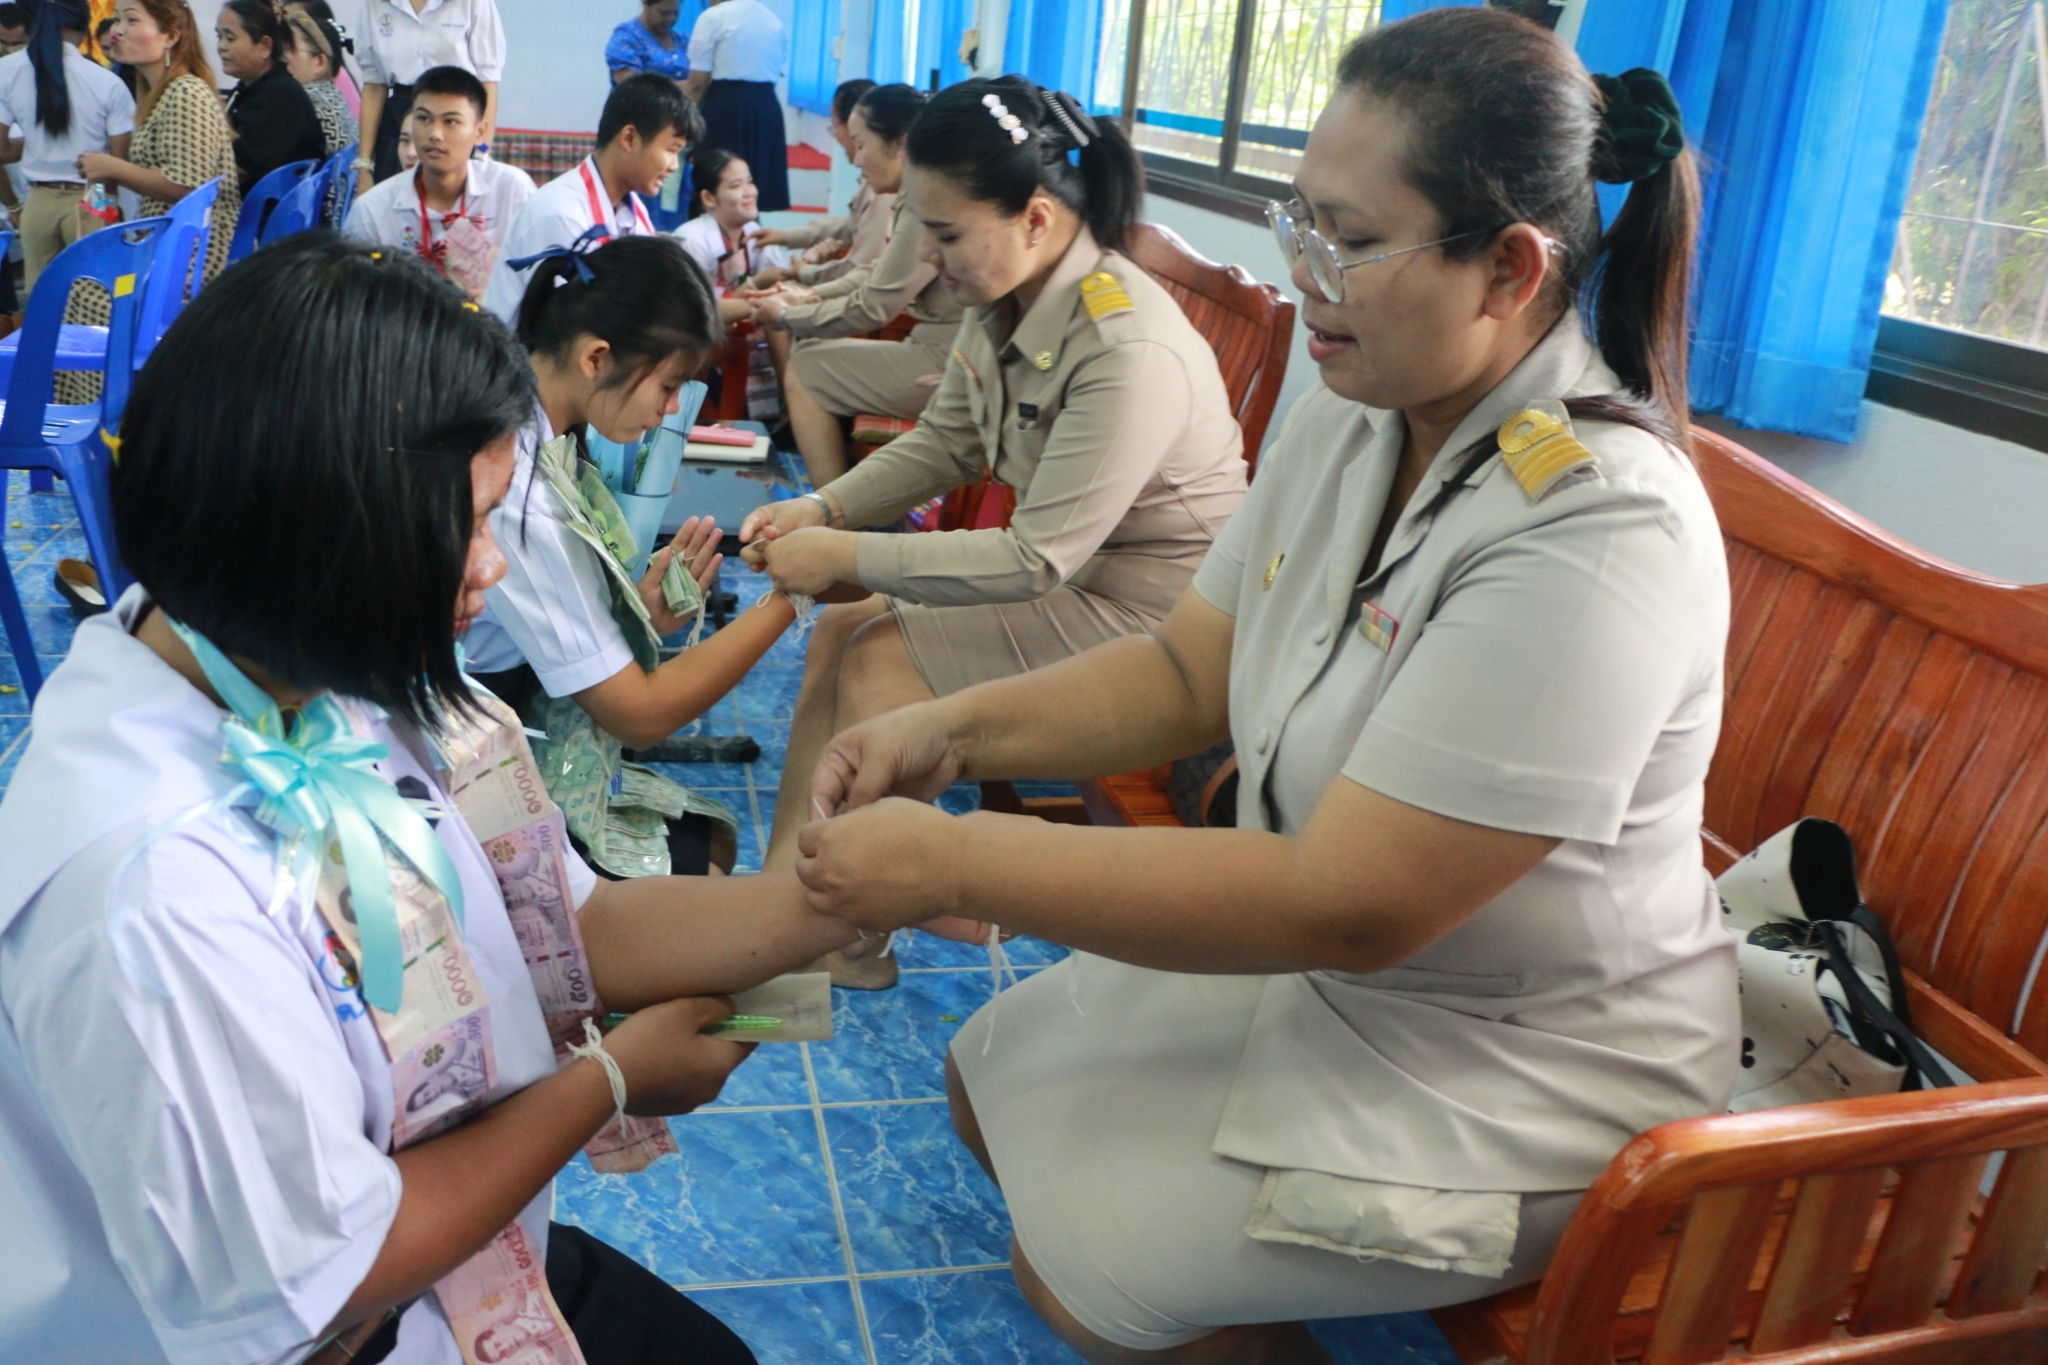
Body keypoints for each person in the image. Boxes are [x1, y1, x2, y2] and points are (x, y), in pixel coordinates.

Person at [788, 12, 1739, 1361]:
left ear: (1508, 268)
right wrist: (948, 731)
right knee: (981, 1078)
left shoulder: (1599, 527)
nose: (1304, 274)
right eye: (1300, 222)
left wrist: (951, 860)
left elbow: (1354, 902)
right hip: (1354, 970)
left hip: (1523, 1054)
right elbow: (1190, 666)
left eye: (1348, 241)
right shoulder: (1358, 412)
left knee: (1089, 1275)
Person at [0, 234, 860, 1365]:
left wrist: (846, 895)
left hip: (458, 1240)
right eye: (464, 525)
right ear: (326, 531)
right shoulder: (152, 899)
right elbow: (331, 1274)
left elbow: (566, 920)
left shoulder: (313, 667)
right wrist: (604, 1081)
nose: (490, 567)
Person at [741, 77, 1248, 989]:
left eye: (943, 235)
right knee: (841, 630)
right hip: (1080, 584)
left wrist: (843, 552)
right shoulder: (1007, 295)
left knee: (883, 660)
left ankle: (842, 935)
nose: (928, 260)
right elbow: (949, 442)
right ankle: (790, 897)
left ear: (1037, 219)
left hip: (1157, 623)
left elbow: (1033, 558)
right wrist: (823, 510)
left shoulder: (1125, 349)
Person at [465, 233, 805, 879]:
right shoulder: (515, 486)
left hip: (510, 697)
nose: (672, 408)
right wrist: (792, 595)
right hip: (468, 734)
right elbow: (640, 715)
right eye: (669, 384)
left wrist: (632, 614)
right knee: (705, 868)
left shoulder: (533, 420)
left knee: (710, 841)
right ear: (597, 357)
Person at [747, 82, 952, 486]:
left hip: (948, 360)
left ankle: (828, 507)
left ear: (900, 144)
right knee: (812, 354)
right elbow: (877, 274)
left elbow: (875, 304)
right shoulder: (914, 193)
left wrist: (789, 313)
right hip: (940, 347)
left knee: (807, 367)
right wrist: (805, 295)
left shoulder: (924, 200)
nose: (855, 158)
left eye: (861, 144)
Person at [483, 71, 700, 323]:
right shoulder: (561, 215)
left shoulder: (633, 212)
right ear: (629, 138)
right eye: (671, 150)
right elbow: (565, 326)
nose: (674, 166)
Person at [81, 0, 240, 289]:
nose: (117, 30)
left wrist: (112, 168)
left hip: (189, 259)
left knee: (86, 292)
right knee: (84, 282)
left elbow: (186, 186)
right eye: (116, 19)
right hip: (166, 246)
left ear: (171, 36)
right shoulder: (161, 92)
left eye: (132, 20)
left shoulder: (186, 92)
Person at [344, 62, 531, 299]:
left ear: (480, 132)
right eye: (423, 118)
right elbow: (354, 298)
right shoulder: (372, 211)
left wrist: (496, 296)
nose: (435, 134)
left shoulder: (512, 190)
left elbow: (540, 277)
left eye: (450, 121)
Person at [0, 0, 133, 294]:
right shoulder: (108, 83)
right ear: (84, 30)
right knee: (94, 298)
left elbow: (1, 150)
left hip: (37, 204)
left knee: (40, 302)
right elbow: (119, 165)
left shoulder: (6, 71)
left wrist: (38, 144)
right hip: (93, 198)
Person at [353, 0, 502, 190]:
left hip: (456, 113)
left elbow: (487, 81)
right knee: (392, 198)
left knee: (450, 197)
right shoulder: (374, 4)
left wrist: (481, 155)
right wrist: (364, 167)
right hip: (399, 119)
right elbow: (374, 84)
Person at [750, 76, 882, 290]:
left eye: (834, 126)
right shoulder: (874, 182)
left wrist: (802, 275)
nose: (836, 136)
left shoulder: (882, 189)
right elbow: (851, 225)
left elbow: (859, 269)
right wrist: (785, 237)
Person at [682, 0, 784, 214]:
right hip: (766, 108)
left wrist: (683, 125)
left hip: (727, 109)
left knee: (712, 186)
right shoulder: (773, 20)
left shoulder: (714, 17)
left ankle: (705, 234)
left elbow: (697, 83)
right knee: (751, 195)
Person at [218, 0, 324, 189]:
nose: (221, 46)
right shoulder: (253, 88)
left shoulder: (280, 95)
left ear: (265, 46)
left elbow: (240, 169)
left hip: (268, 207)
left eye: (230, 38)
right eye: (219, 36)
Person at [674, 146, 784, 320]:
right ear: (708, 198)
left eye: (749, 182)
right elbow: (697, 313)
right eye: (736, 186)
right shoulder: (691, 240)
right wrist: (756, 282)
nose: (749, 192)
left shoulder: (755, 232)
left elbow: (778, 288)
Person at [284, 6, 356, 154]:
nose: (280, 57)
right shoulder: (331, 93)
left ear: (319, 62)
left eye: (289, 48)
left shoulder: (305, 101)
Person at [607, 0, 693, 88]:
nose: (670, 18)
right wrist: (688, 87)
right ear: (646, 5)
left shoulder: (683, 41)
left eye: (675, 13)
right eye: (664, 13)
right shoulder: (625, 38)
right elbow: (632, 87)